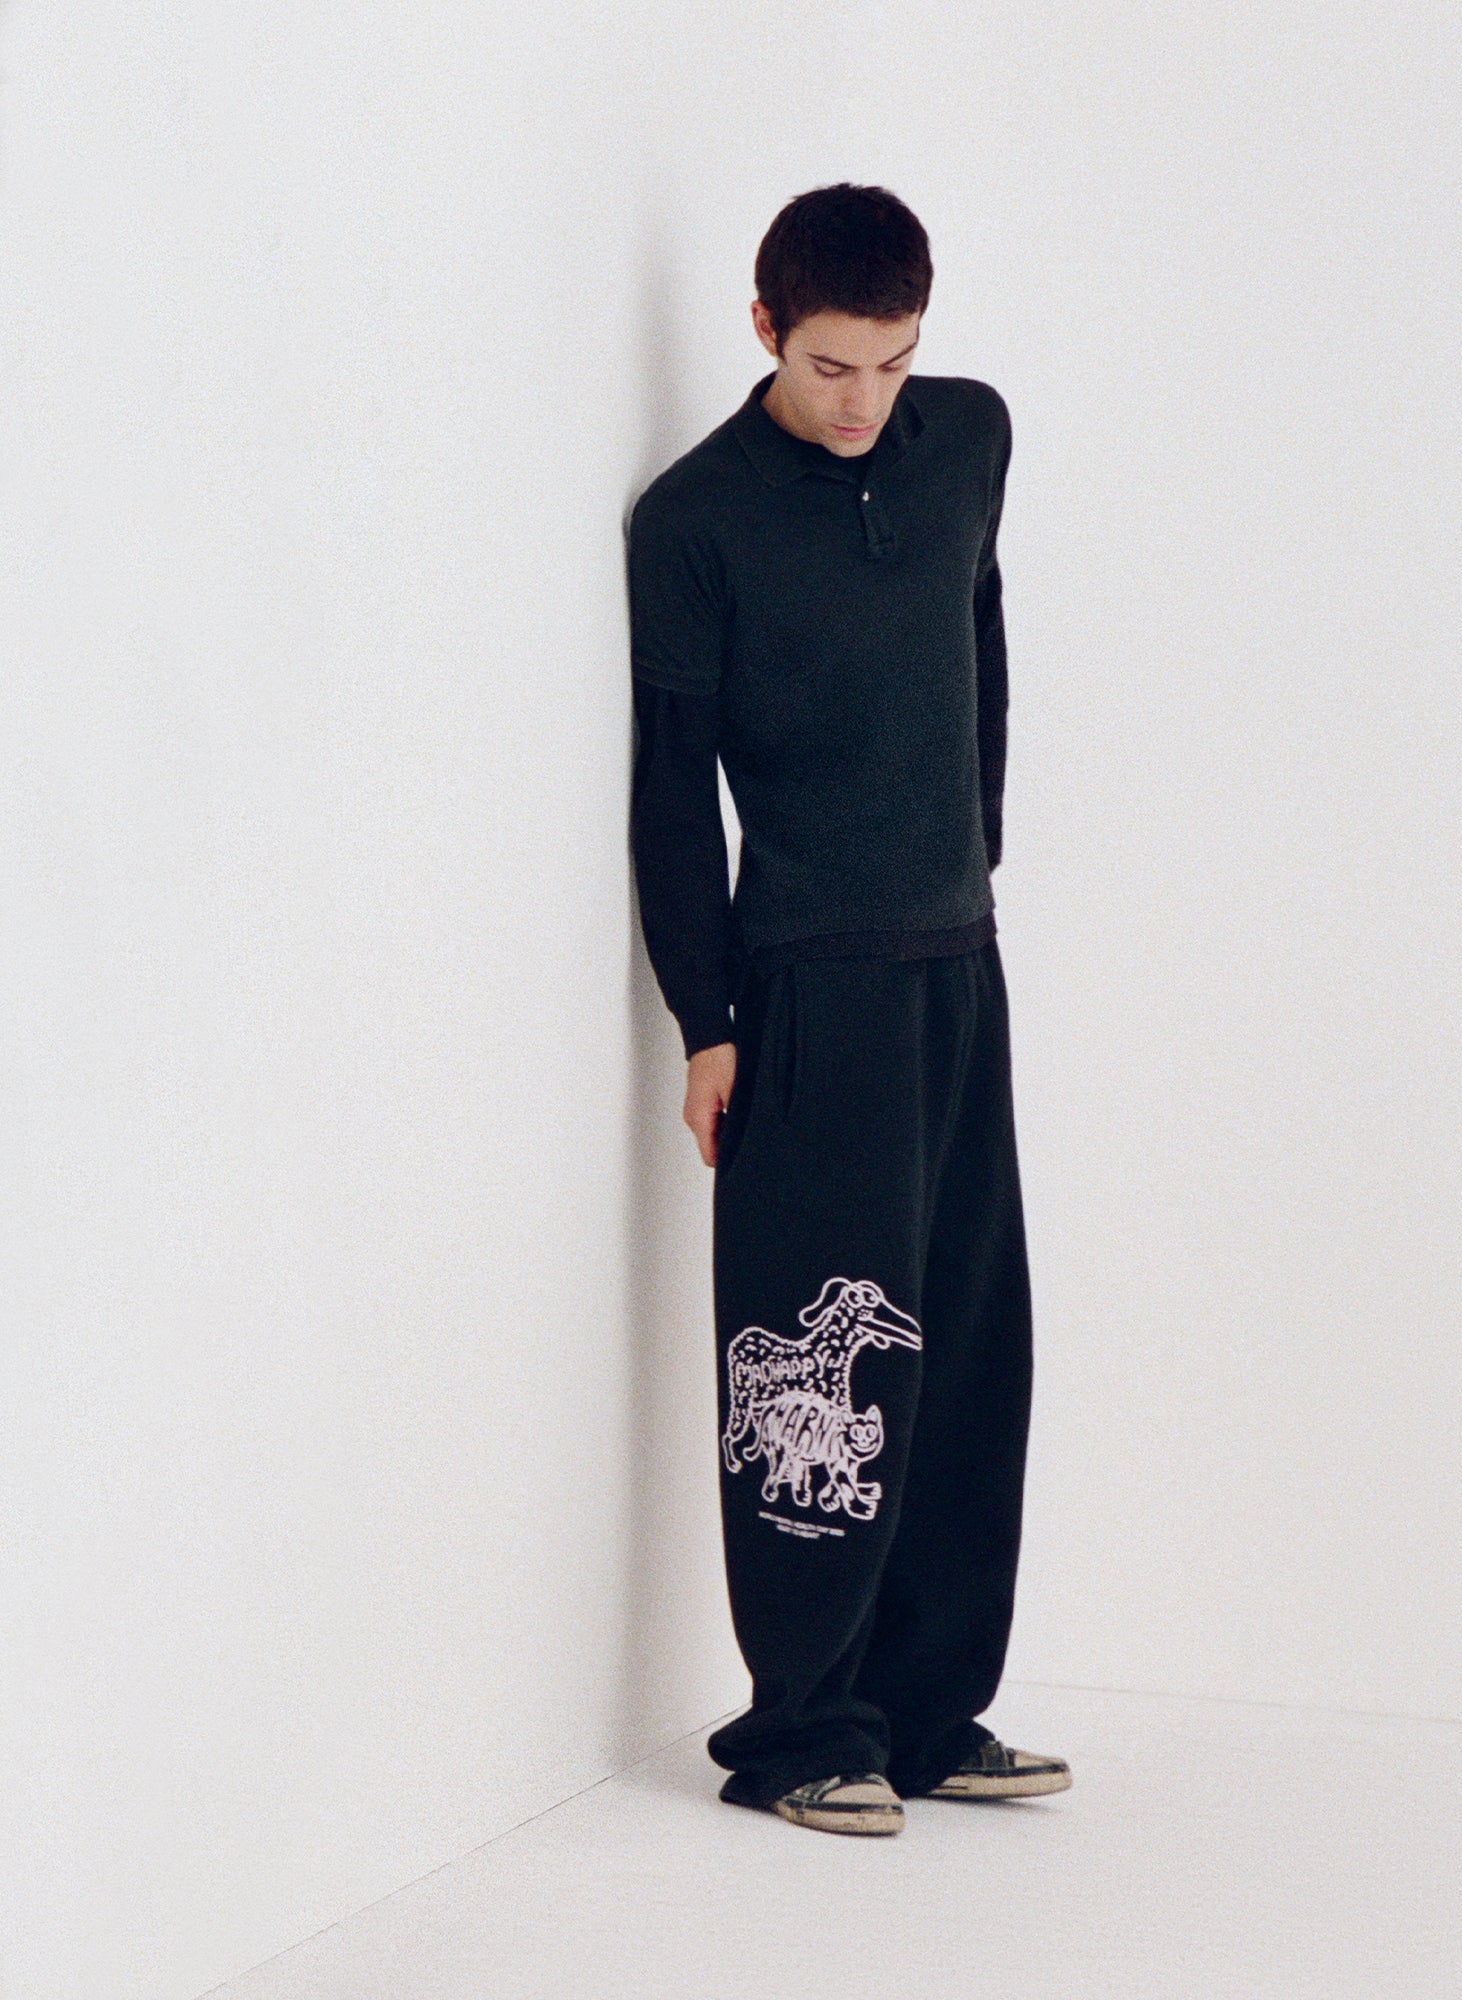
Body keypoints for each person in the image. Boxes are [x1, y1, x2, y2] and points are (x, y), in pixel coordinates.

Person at [625, 182, 1069, 1838]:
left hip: (958, 963)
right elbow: (672, 794)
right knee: (812, 1359)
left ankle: (931, 1710)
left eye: (891, 361)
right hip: (806, 987)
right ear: (764, 329)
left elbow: (980, 636)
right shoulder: (696, 522)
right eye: (828, 365)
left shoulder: (972, 439)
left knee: (968, 1349)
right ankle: (803, 1731)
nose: (864, 397)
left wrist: (970, 853)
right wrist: (708, 1019)